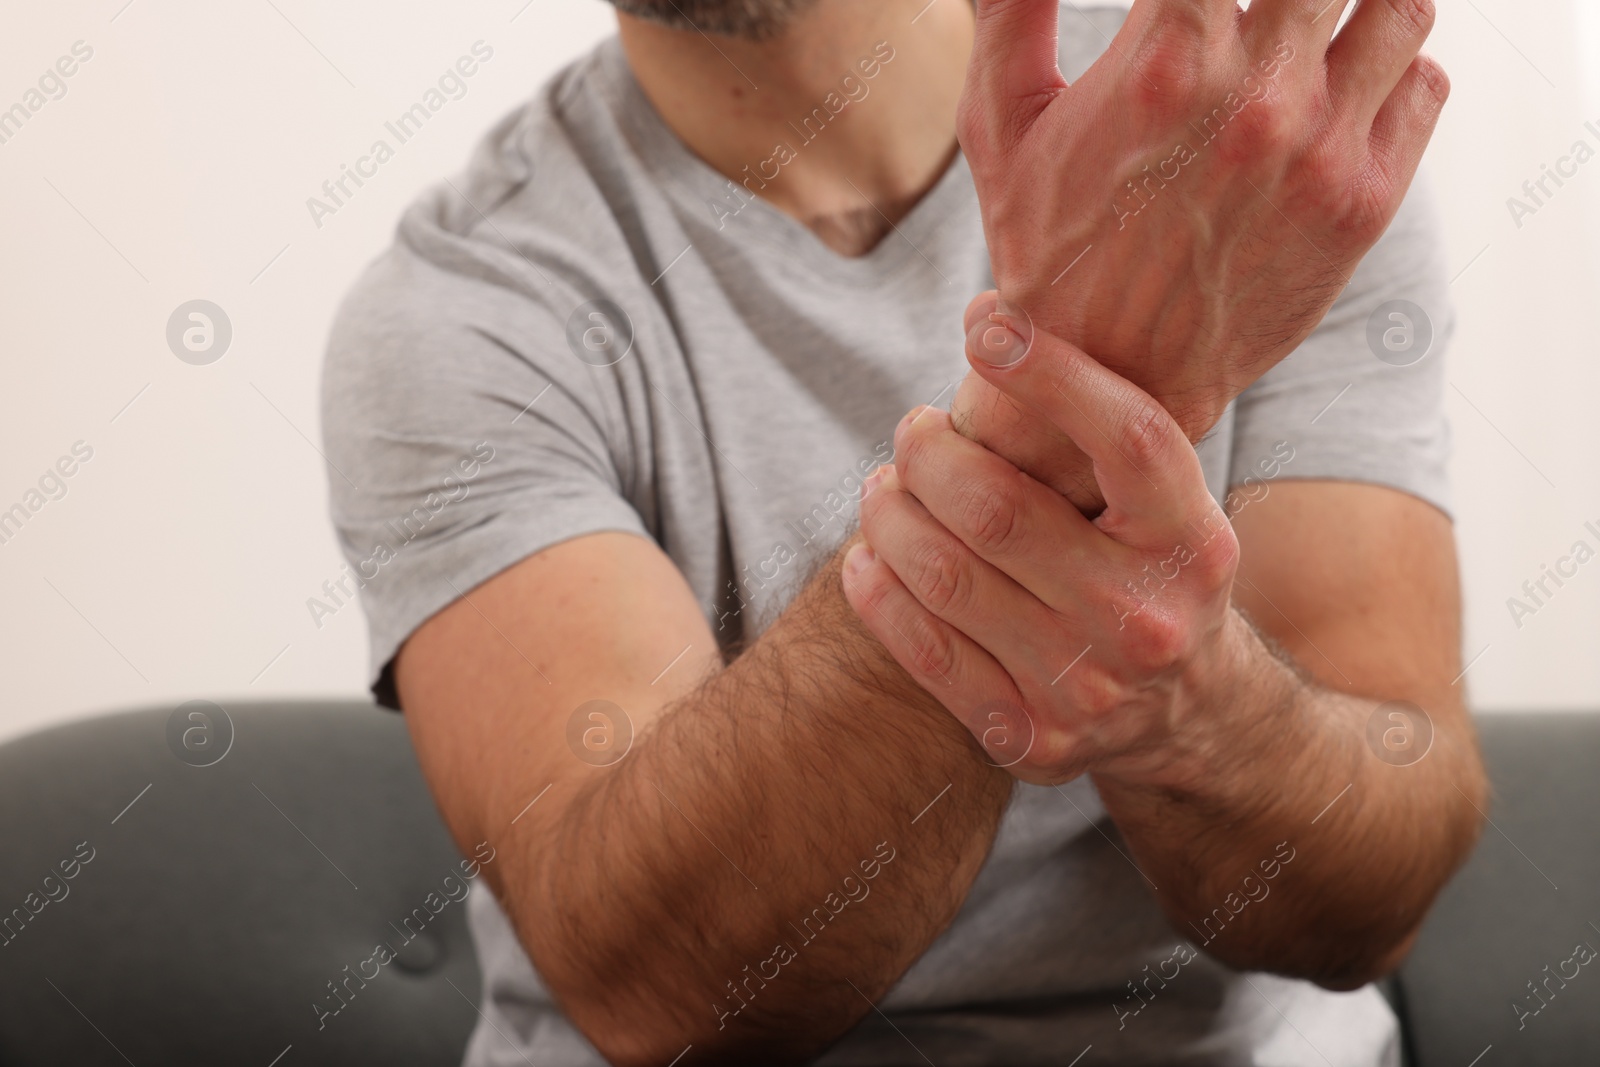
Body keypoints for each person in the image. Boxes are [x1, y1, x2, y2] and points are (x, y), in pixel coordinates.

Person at [321, 0, 1487, 1063]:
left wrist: (1193, 710)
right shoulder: (455, 316)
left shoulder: (1249, 145)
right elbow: (662, 984)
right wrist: (1073, 379)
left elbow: (1376, 882)